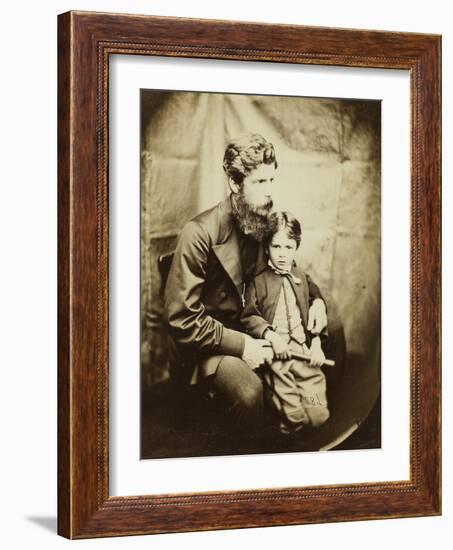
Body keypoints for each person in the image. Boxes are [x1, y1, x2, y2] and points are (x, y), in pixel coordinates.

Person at [164, 133, 327, 440]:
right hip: (209, 345)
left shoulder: (259, 220)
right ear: (235, 184)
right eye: (260, 183)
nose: (270, 192)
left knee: (319, 345)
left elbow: (286, 267)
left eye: (272, 180)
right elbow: (181, 320)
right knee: (249, 392)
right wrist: (243, 346)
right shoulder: (198, 233)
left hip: (253, 326)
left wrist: (316, 299)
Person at [240, 211, 330, 435]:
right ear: (267, 247)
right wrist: (270, 336)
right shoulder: (258, 281)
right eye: (276, 246)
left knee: (319, 416)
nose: (282, 254)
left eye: (288, 247)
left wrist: (317, 342)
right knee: (294, 416)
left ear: (296, 248)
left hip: (303, 352)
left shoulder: (301, 277)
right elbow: (249, 316)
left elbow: (312, 313)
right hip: (277, 355)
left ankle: (306, 430)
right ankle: (288, 435)